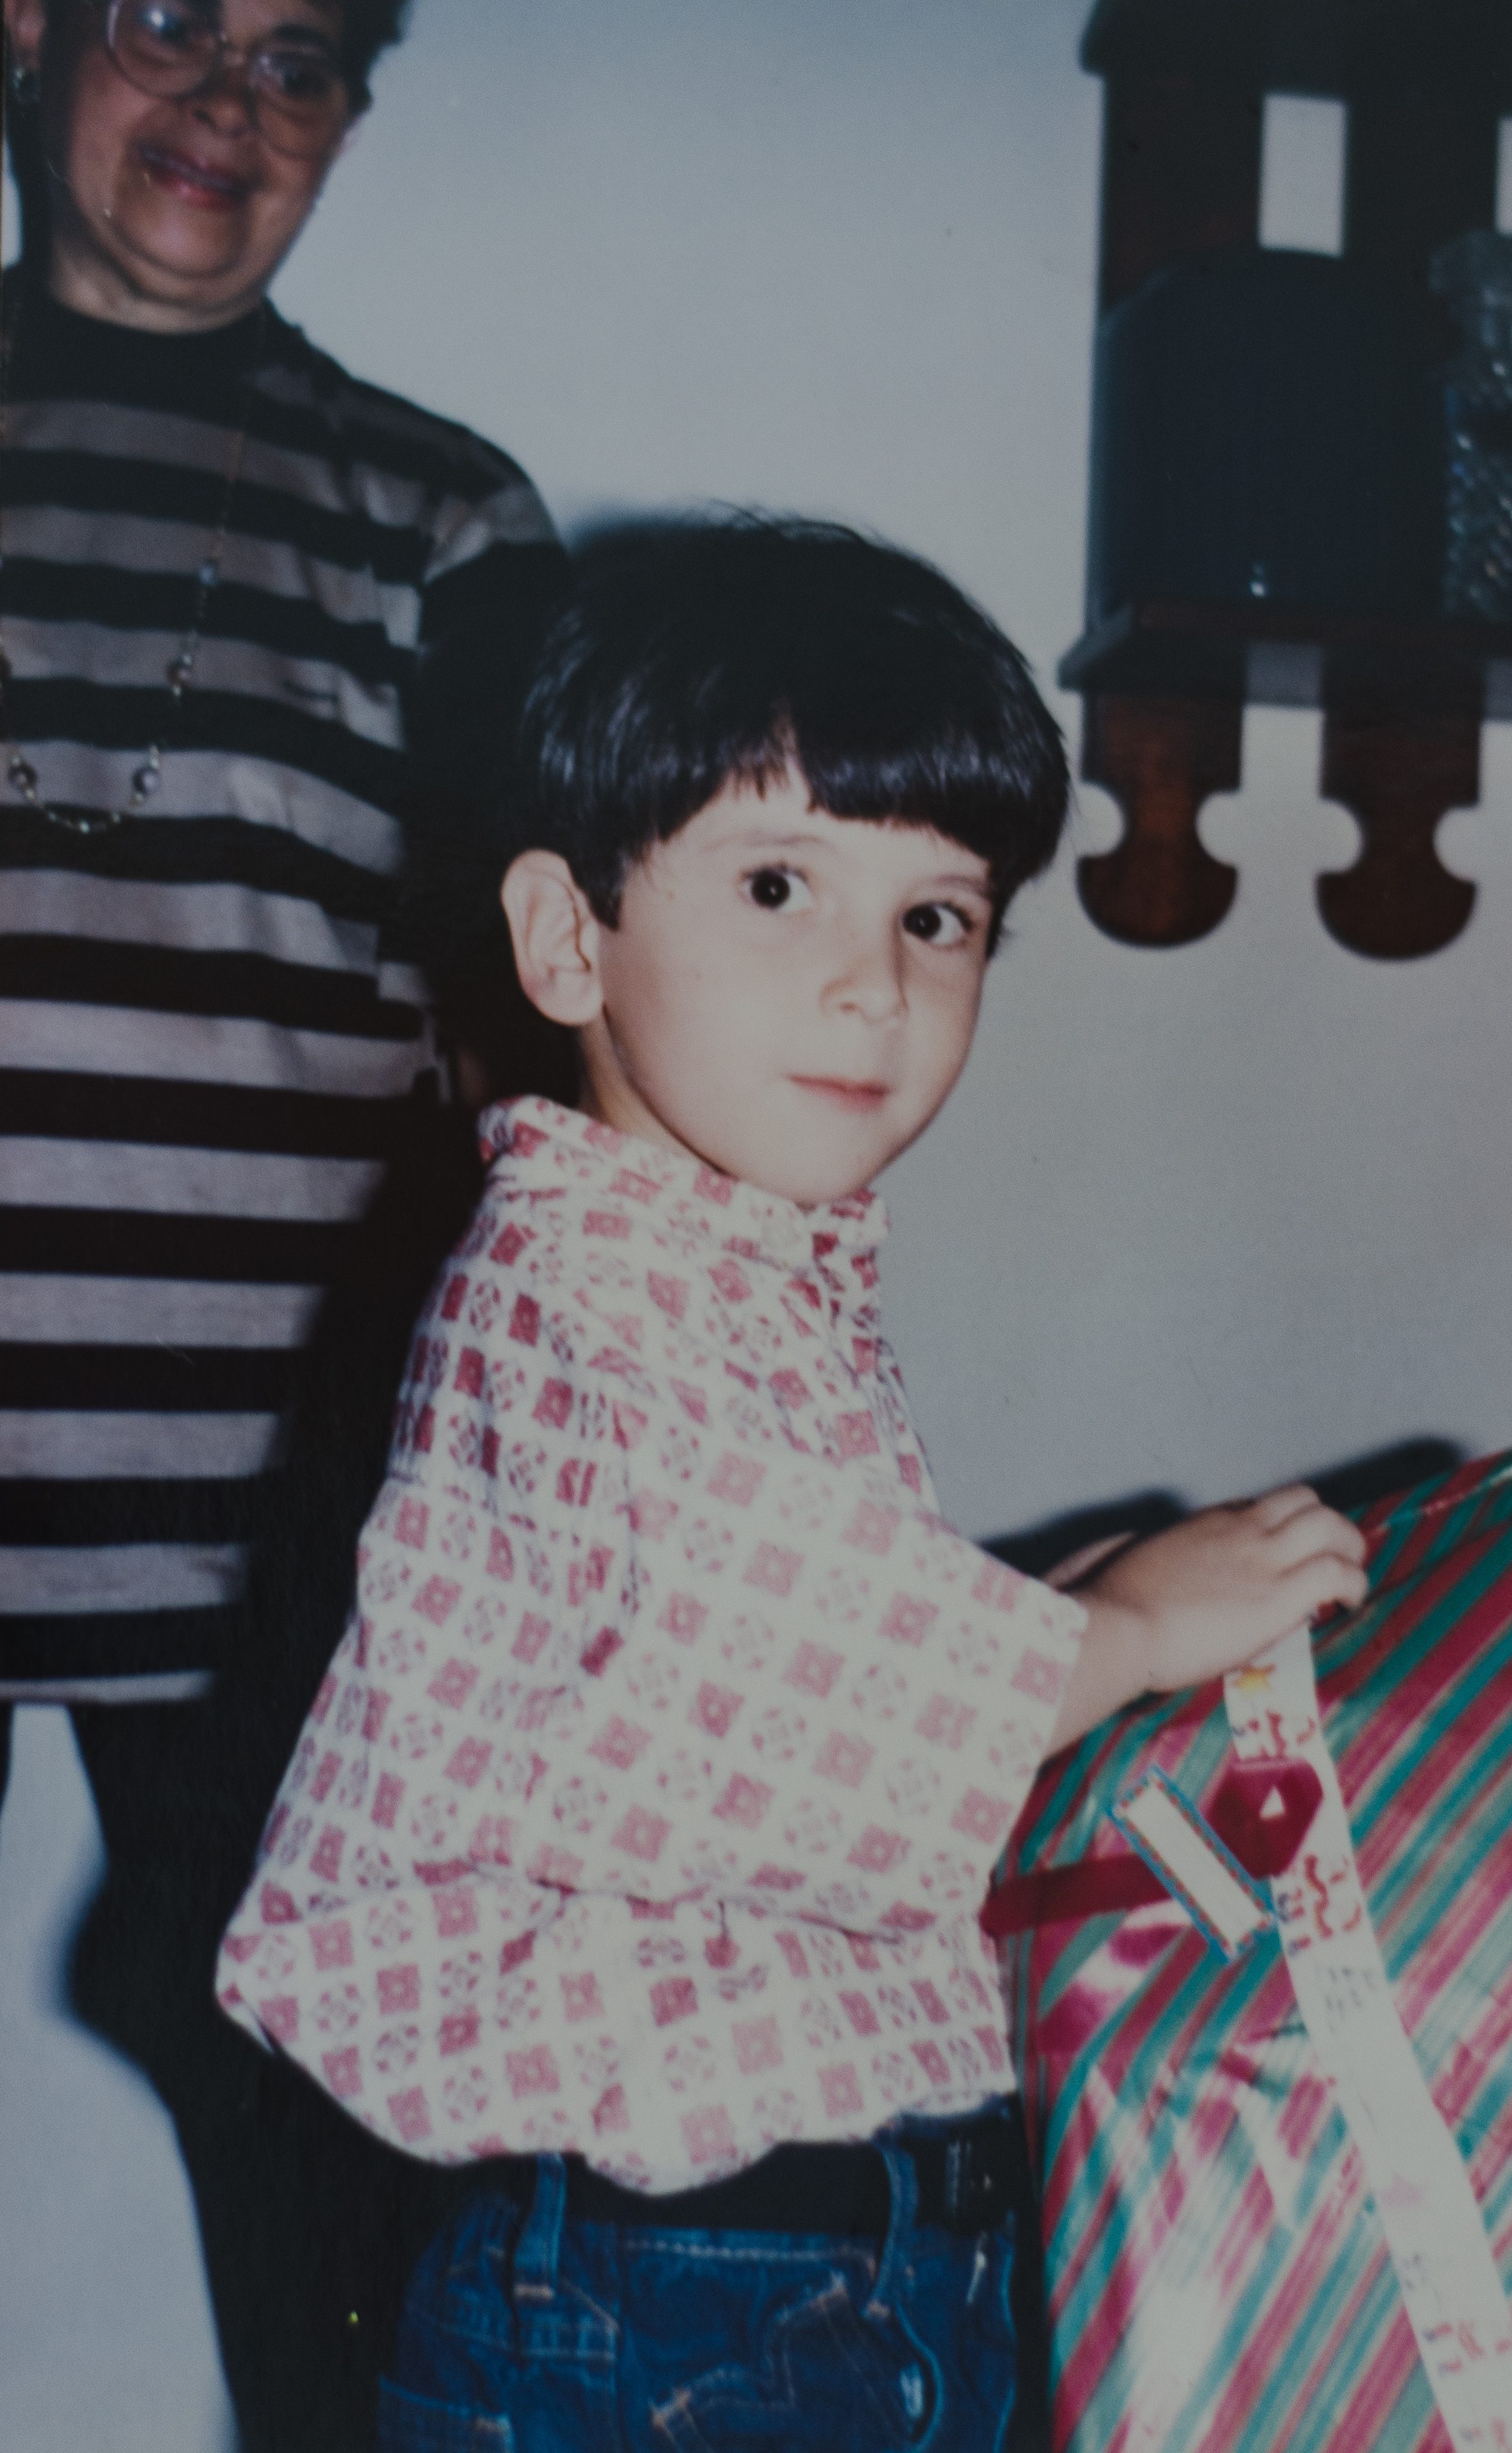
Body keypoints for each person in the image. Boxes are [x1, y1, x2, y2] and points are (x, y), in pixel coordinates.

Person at [215, 519, 1369, 2453]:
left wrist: (1054, 1607)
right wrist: (1120, 1625)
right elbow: (777, 1654)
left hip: (807, 2275)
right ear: (567, 938)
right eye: (779, 884)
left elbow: (733, 1688)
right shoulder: (589, 1285)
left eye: (940, 916)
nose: (873, 987)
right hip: (673, 2308)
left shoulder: (728, 1265)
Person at [0, 1, 567, 2442]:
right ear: (28, 29)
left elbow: (528, 1039)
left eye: (306, 57)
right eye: (168, 27)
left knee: (331, 2232)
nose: (229, 111)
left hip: (266, 1524)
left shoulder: (440, 517)